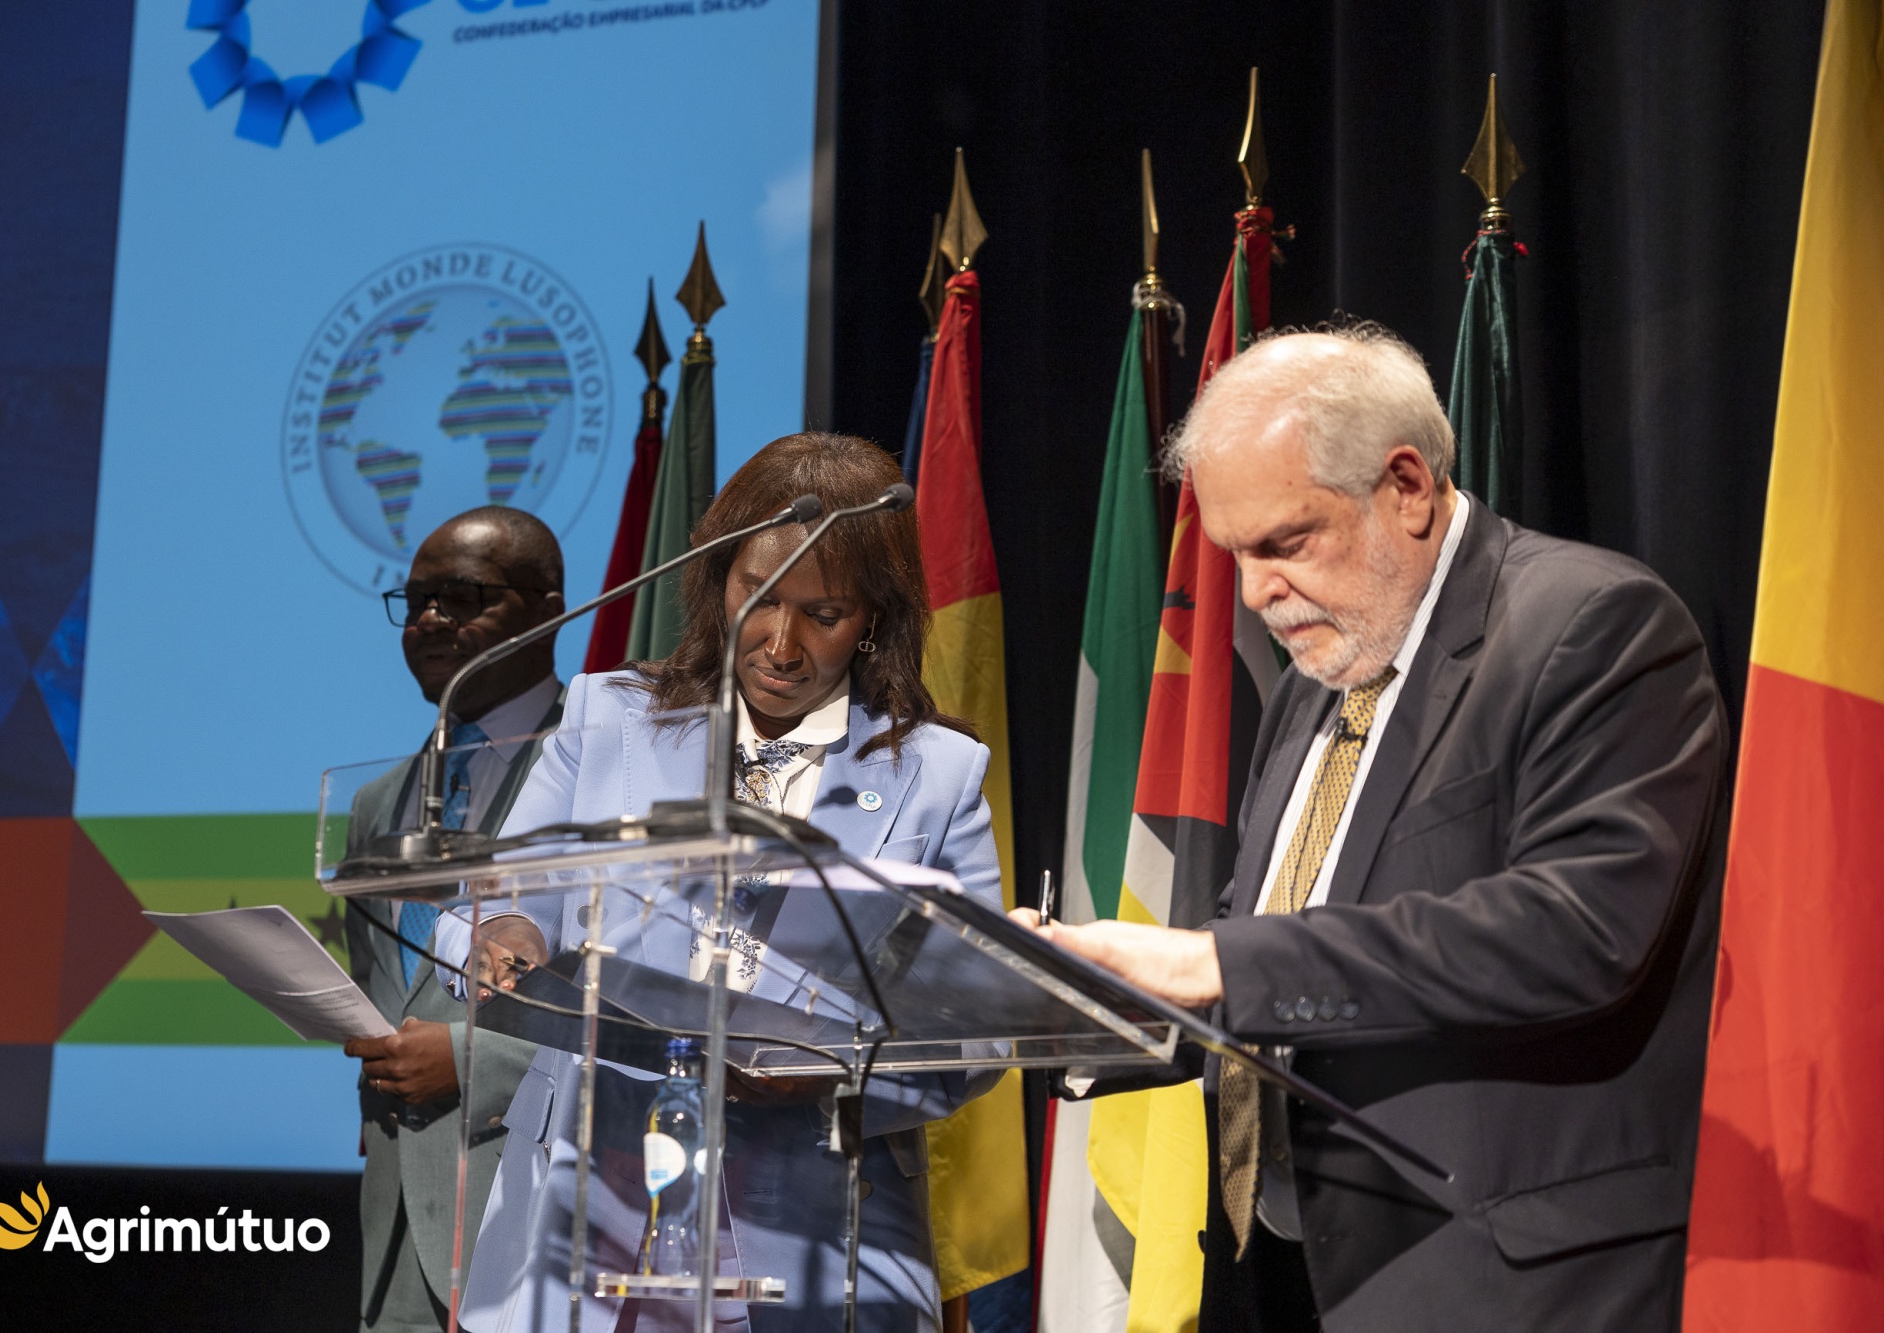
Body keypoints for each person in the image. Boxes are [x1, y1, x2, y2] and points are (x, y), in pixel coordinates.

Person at [1022, 326, 1727, 1331]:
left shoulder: (1592, 625)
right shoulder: (1320, 671)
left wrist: (1212, 960)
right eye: (1235, 554)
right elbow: (1273, 939)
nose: (1255, 592)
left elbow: (1574, 930)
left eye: (1284, 543)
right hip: (1283, 1268)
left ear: (1406, 487)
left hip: (1504, 1282)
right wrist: (1077, 1003)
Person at [449, 432, 1004, 1332]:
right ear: (719, 581)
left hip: (820, 1238)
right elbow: (496, 896)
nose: (781, 643)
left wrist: (835, 1076)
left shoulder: (935, 774)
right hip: (590, 1216)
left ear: (874, 616)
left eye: (823, 613)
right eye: (760, 595)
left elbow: (979, 1031)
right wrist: (506, 933)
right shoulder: (609, 717)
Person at [341, 506, 569, 1333]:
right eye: (416, 601)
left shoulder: (606, 772)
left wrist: (477, 1061)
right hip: (397, 1210)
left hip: (539, 1198)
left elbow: (641, 990)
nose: (431, 620)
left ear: (548, 610)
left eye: (464, 596)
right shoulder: (376, 799)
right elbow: (385, 995)